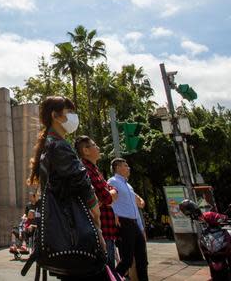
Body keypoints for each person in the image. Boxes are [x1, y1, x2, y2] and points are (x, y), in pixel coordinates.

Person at [28, 96, 107, 281]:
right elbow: (80, 181)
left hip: (63, 232)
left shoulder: (48, 144)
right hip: (75, 229)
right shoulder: (59, 146)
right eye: (69, 112)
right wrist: (95, 212)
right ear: (55, 116)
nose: (73, 117)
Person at [75, 136, 120, 272]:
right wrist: (111, 193)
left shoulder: (95, 170)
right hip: (100, 232)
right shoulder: (85, 170)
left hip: (106, 230)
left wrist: (110, 193)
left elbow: (107, 194)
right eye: (94, 145)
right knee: (106, 272)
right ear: (86, 150)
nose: (98, 147)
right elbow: (107, 197)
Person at [108, 158, 149, 281]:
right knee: (127, 260)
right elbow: (110, 200)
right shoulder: (113, 181)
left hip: (134, 224)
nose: (128, 168)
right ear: (117, 167)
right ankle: (114, 278)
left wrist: (141, 228)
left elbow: (138, 206)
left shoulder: (128, 186)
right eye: (125, 165)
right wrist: (114, 215)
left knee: (142, 259)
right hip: (123, 223)